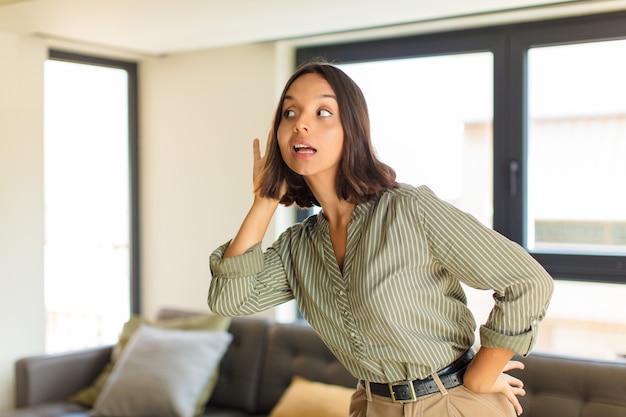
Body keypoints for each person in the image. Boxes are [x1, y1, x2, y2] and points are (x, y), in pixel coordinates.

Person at [208, 60, 553, 417]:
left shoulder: (409, 210)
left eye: (323, 111)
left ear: (352, 129)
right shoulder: (299, 247)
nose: (301, 124)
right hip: (371, 406)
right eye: (289, 112)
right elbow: (229, 299)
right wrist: (264, 201)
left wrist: (483, 373)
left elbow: (528, 281)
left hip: (452, 402)